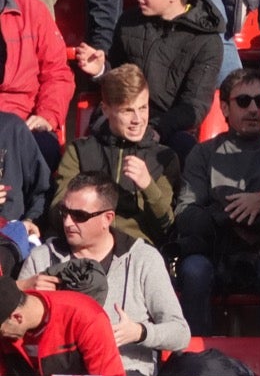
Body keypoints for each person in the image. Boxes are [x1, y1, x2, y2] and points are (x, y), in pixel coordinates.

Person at [19, 173, 189, 376]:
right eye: (64, 212)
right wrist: (30, 296)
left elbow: (180, 334)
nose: (67, 222)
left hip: (124, 374)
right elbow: (12, 324)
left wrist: (140, 332)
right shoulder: (42, 258)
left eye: (79, 216)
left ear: (107, 218)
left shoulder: (143, 258)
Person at [171, 69, 260, 376]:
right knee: (194, 272)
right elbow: (185, 214)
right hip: (210, 251)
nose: (253, 109)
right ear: (224, 108)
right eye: (243, 100)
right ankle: (198, 364)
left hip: (259, 254)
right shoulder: (203, 154)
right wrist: (228, 211)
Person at [75, 0, 224, 154]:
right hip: (122, 117)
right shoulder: (129, 22)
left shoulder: (206, 42)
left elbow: (194, 106)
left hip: (166, 127)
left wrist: (155, 128)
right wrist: (102, 70)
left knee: (185, 149)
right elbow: (120, 80)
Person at [53, 64, 180, 248]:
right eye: (128, 111)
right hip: (83, 246)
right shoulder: (80, 152)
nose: (138, 119)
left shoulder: (164, 158)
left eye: (143, 108)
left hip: (136, 252)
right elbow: (56, 212)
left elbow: (166, 228)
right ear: (105, 110)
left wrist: (148, 187)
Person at [0, 273, 128, 376]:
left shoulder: (85, 316)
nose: (2, 335)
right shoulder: (8, 328)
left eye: (0, 331)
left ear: (17, 318)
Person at [0, 0, 76, 168]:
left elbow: (58, 74)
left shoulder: (31, 9)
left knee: (41, 150)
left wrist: (47, 115)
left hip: (22, 116)